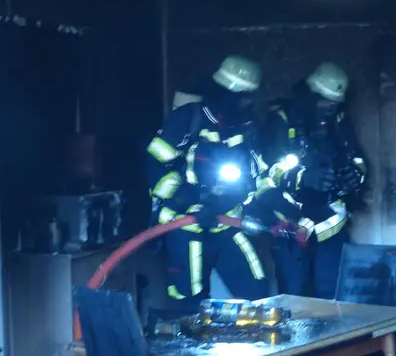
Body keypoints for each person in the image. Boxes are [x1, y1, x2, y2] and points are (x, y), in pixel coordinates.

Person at [145, 55, 274, 310]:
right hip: (188, 227)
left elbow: (254, 173)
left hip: (227, 224)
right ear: (228, 93)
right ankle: (186, 347)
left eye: (252, 96)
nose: (250, 103)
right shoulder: (187, 119)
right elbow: (155, 166)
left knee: (257, 291)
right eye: (245, 96)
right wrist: (188, 198)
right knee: (190, 303)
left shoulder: (243, 127)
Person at [259, 62, 367, 298]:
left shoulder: (338, 121)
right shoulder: (282, 120)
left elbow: (357, 157)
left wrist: (354, 176)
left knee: (331, 294)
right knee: (293, 294)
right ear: (310, 94)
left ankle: (332, 336)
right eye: (324, 100)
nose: (329, 107)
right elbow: (265, 170)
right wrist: (303, 178)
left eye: (334, 102)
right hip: (291, 222)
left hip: (331, 225)